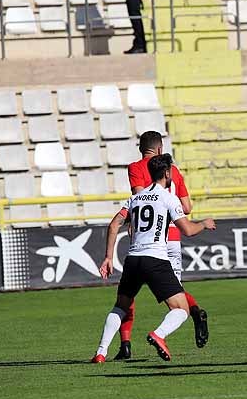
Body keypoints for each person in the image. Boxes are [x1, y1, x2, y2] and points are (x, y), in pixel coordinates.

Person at [92, 154, 216, 363]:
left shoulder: (135, 198)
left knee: (121, 306)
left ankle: (101, 352)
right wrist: (204, 223)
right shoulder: (168, 198)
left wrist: (108, 258)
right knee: (181, 309)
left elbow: (114, 225)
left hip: (133, 260)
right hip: (155, 260)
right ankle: (159, 334)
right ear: (167, 173)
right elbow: (187, 230)